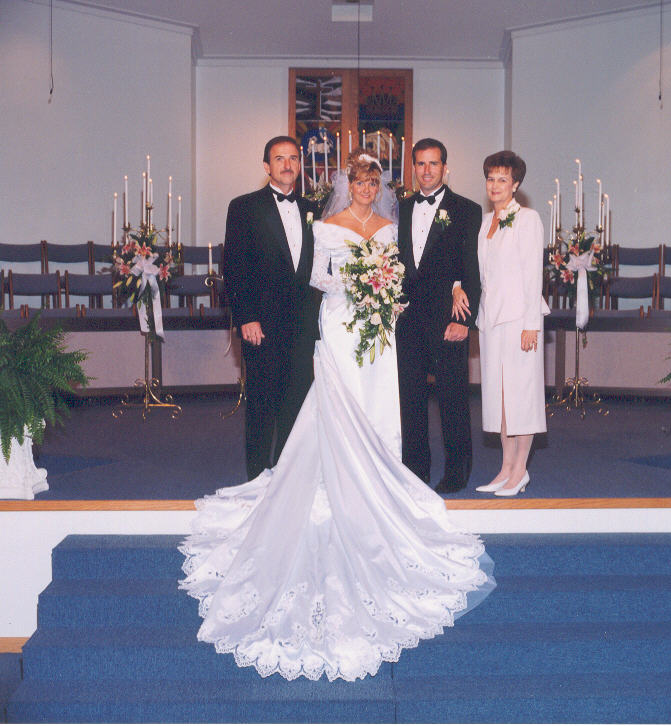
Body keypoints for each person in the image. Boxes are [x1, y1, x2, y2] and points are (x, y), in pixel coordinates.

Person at [178, 149, 494, 682]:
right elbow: (318, 277)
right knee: (337, 400)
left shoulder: (392, 227)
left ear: (380, 187)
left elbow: (412, 273)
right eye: (360, 182)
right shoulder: (325, 226)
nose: (367, 189)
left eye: (373, 182)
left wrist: (394, 291)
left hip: (381, 325)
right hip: (344, 323)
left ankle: (384, 478)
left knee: (380, 402)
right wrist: (356, 284)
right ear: (349, 184)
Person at [222, 136, 320, 480]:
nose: (287, 165)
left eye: (293, 158)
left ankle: (286, 478)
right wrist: (246, 317)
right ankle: (257, 479)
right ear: (267, 166)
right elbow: (234, 267)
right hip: (261, 324)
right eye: (280, 158)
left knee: (297, 404)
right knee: (262, 406)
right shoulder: (244, 207)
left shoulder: (314, 209)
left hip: (303, 326)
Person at [455, 150, 550, 496]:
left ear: (516, 184)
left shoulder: (527, 219)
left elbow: (533, 275)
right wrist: (457, 288)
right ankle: (506, 467)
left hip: (520, 319)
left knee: (522, 395)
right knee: (499, 398)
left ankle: (520, 469)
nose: (495, 185)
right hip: (491, 320)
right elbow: (474, 270)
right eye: (491, 178)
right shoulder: (484, 223)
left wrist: (531, 324)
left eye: (503, 179)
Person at [396, 138, 482, 493]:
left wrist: (464, 321)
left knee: (452, 398)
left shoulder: (467, 210)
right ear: (413, 168)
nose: (427, 170)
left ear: (445, 168)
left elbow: (472, 269)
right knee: (410, 398)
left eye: (433, 163)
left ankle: (457, 471)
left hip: (449, 317)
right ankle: (415, 470)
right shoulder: (400, 209)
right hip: (407, 319)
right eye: (420, 163)